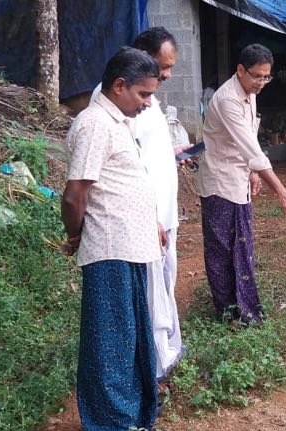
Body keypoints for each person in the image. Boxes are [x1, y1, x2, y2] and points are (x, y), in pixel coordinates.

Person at [63, 47, 165, 431]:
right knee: (110, 343)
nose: (148, 103)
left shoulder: (115, 122)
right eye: (144, 94)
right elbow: (74, 195)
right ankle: (112, 429)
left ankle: (131, 417)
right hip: (108, 248)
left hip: (128, 248)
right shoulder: (94, 124)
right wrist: (75, 237)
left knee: (129, 337)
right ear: (119, 86)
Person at [89, 27, 183, 382]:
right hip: (142, 219)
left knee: (164, 286)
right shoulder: (115, 101)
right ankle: (153, 365)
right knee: (150, 293)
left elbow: (144, 150)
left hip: (163, 213)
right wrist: (151, 217)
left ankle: (165, 354)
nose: (167, 74)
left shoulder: (147, 97)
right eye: (163, 65)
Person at [198, 43, 286, 325]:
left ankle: (245, 309)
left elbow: (248, 141)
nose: (261, 82)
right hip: (220, 182)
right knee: (221, 250)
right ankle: (227, 312)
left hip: (238, 180)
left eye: (266, 77)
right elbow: (252, 150)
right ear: (240, 70)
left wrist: (252, 173)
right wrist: (282, 192)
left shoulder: (250, 93)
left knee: (242, 246)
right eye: (257, 76)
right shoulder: (227, 100)